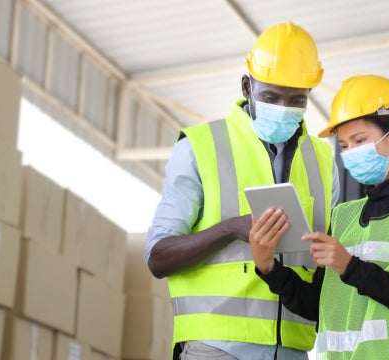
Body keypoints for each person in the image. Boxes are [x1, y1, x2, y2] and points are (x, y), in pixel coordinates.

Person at [145, 22, 340, 359]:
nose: (283, 108)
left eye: (297, 100)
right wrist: (230, 229)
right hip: (216, 346)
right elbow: (158, 257)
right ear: (247, 86)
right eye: (271, 96)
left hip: (293, 349)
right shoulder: (201, 146)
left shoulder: (323, 160)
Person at [250, 74, 389, 359]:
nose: (351, 153)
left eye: (360, 140)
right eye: (345, 146)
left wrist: (351, 268)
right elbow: (319, 305)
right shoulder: (343, 217)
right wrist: (269, 269)